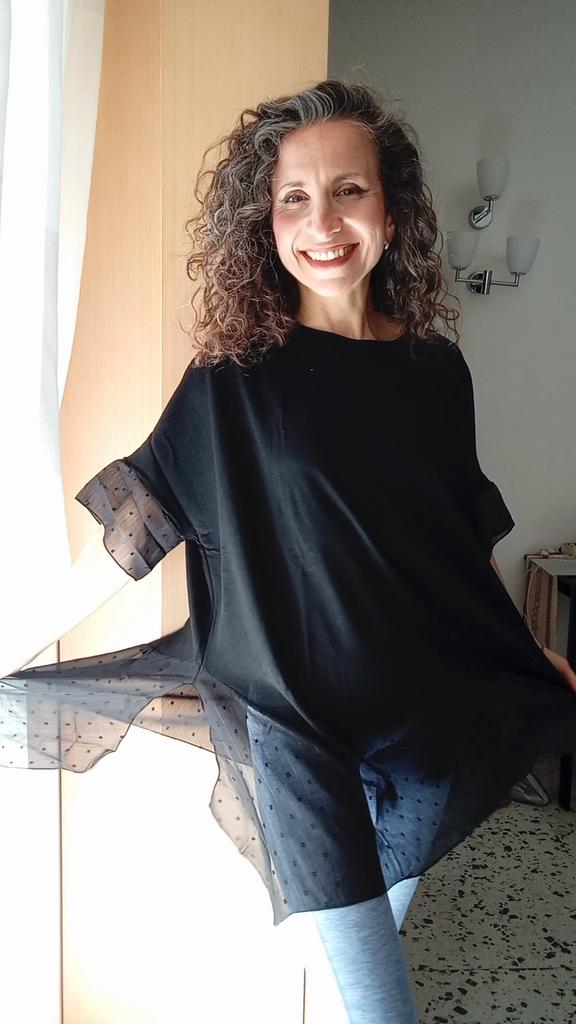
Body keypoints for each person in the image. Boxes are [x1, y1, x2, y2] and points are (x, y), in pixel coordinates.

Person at [2, 79, 576, 1024]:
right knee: (380, 1007)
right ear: (263, 224)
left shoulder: (438, 372)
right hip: (297, 735)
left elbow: (460, 542)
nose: (323, 223)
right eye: (294, 199)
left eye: (348, 191)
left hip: (426, 722)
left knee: (353, 986)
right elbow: (134, 534)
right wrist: (11, 640)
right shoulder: (231, 382)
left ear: (391, 208)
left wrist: (523, 649)